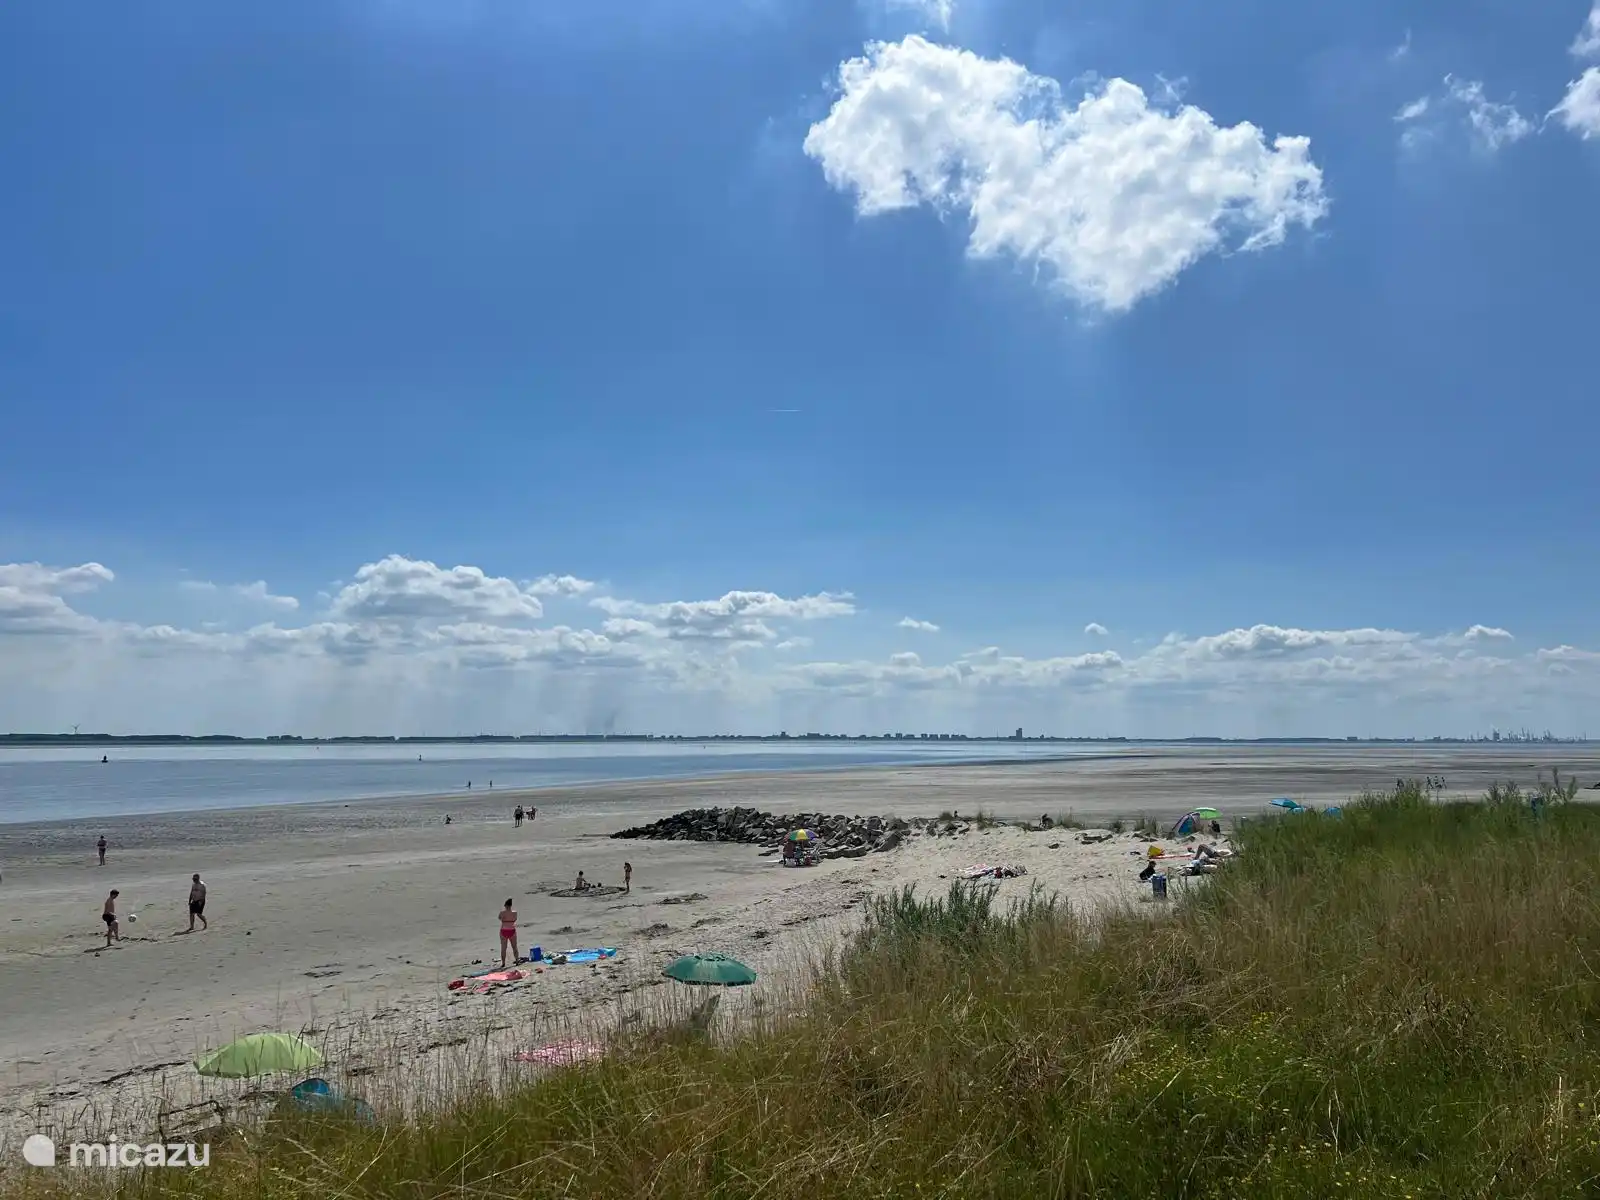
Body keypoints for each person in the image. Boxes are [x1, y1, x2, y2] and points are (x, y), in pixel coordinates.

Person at [498, 898, 519, 968]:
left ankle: (503, 963)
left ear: (506, 905)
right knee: (514, 947)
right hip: (512, 930)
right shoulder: (515, 912)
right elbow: (515, 919)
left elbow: (499, 918)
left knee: (503, 948)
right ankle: (517, 960)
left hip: (504, 930)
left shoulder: (502, 913)